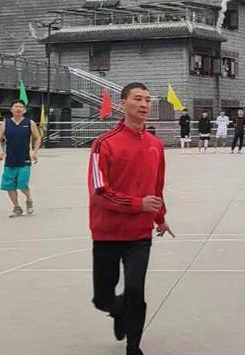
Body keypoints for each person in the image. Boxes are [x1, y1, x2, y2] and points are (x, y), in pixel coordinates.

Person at [87, 82, 172, 355]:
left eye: (148, 99)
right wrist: (138, 204)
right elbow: (99, 192)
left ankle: (134, 347)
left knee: (136, 291)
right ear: (122, 104)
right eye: (138, 99)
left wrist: (159, 216)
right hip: (107, 233)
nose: (144, 104)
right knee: (102, 298)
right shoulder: (104, 144)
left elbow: (156, 187)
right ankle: (117, 308)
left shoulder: (156, 145)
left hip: (139, 234)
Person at [0, 99, 41, 218]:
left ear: (24, 110)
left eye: (21, 107)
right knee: (9, 185)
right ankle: (17, 207)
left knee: (22, 183)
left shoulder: (29, 123)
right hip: (10, 160)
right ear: (11, 109)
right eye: (16, 106)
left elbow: (37, 138)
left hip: (24, 159)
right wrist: (0, 151)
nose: (18, 108)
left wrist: (35, 152)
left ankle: (29, 200)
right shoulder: (6, 123)